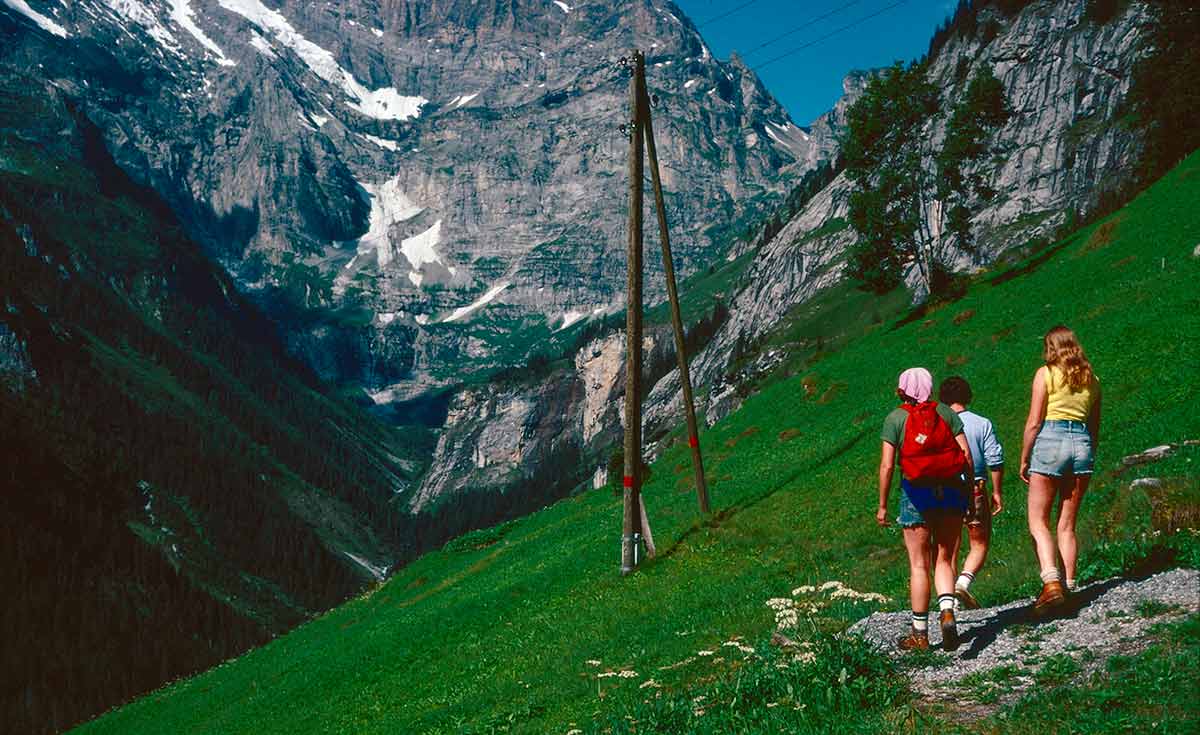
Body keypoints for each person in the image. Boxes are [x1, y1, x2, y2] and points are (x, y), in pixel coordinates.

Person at [877, 367, 974, 652]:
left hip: (915, 494)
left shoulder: (895, 419)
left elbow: (886, 466)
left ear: (901, 391)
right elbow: (965, 455)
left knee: (919, 564)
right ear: (930, 389)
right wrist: (968, 493)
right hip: (951, 492)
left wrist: (882, 505)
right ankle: (946, 611)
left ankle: (920, 635)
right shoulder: (946, 414)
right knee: (944, 558)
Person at [1019, 326, 1102, 616]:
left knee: (1038, 521)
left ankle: (1051, 582)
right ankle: (1069, 587)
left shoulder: (1045, 374)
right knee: (1066, 524)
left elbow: (1033, 422)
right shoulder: (1093, 380)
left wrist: (1024, 458)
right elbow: (1094, 427)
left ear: (1051, 347)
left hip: (1050, 441)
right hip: (1082, 444)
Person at [938, 376, 1004, 610]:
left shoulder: (940, 425)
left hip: (946, 491)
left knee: (949, 548)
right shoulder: (982, 423)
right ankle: (963, 584)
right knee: (979, 542)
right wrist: (996, 491)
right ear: (967, 396)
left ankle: (949, 604)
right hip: (975, 488)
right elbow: (994, 460)